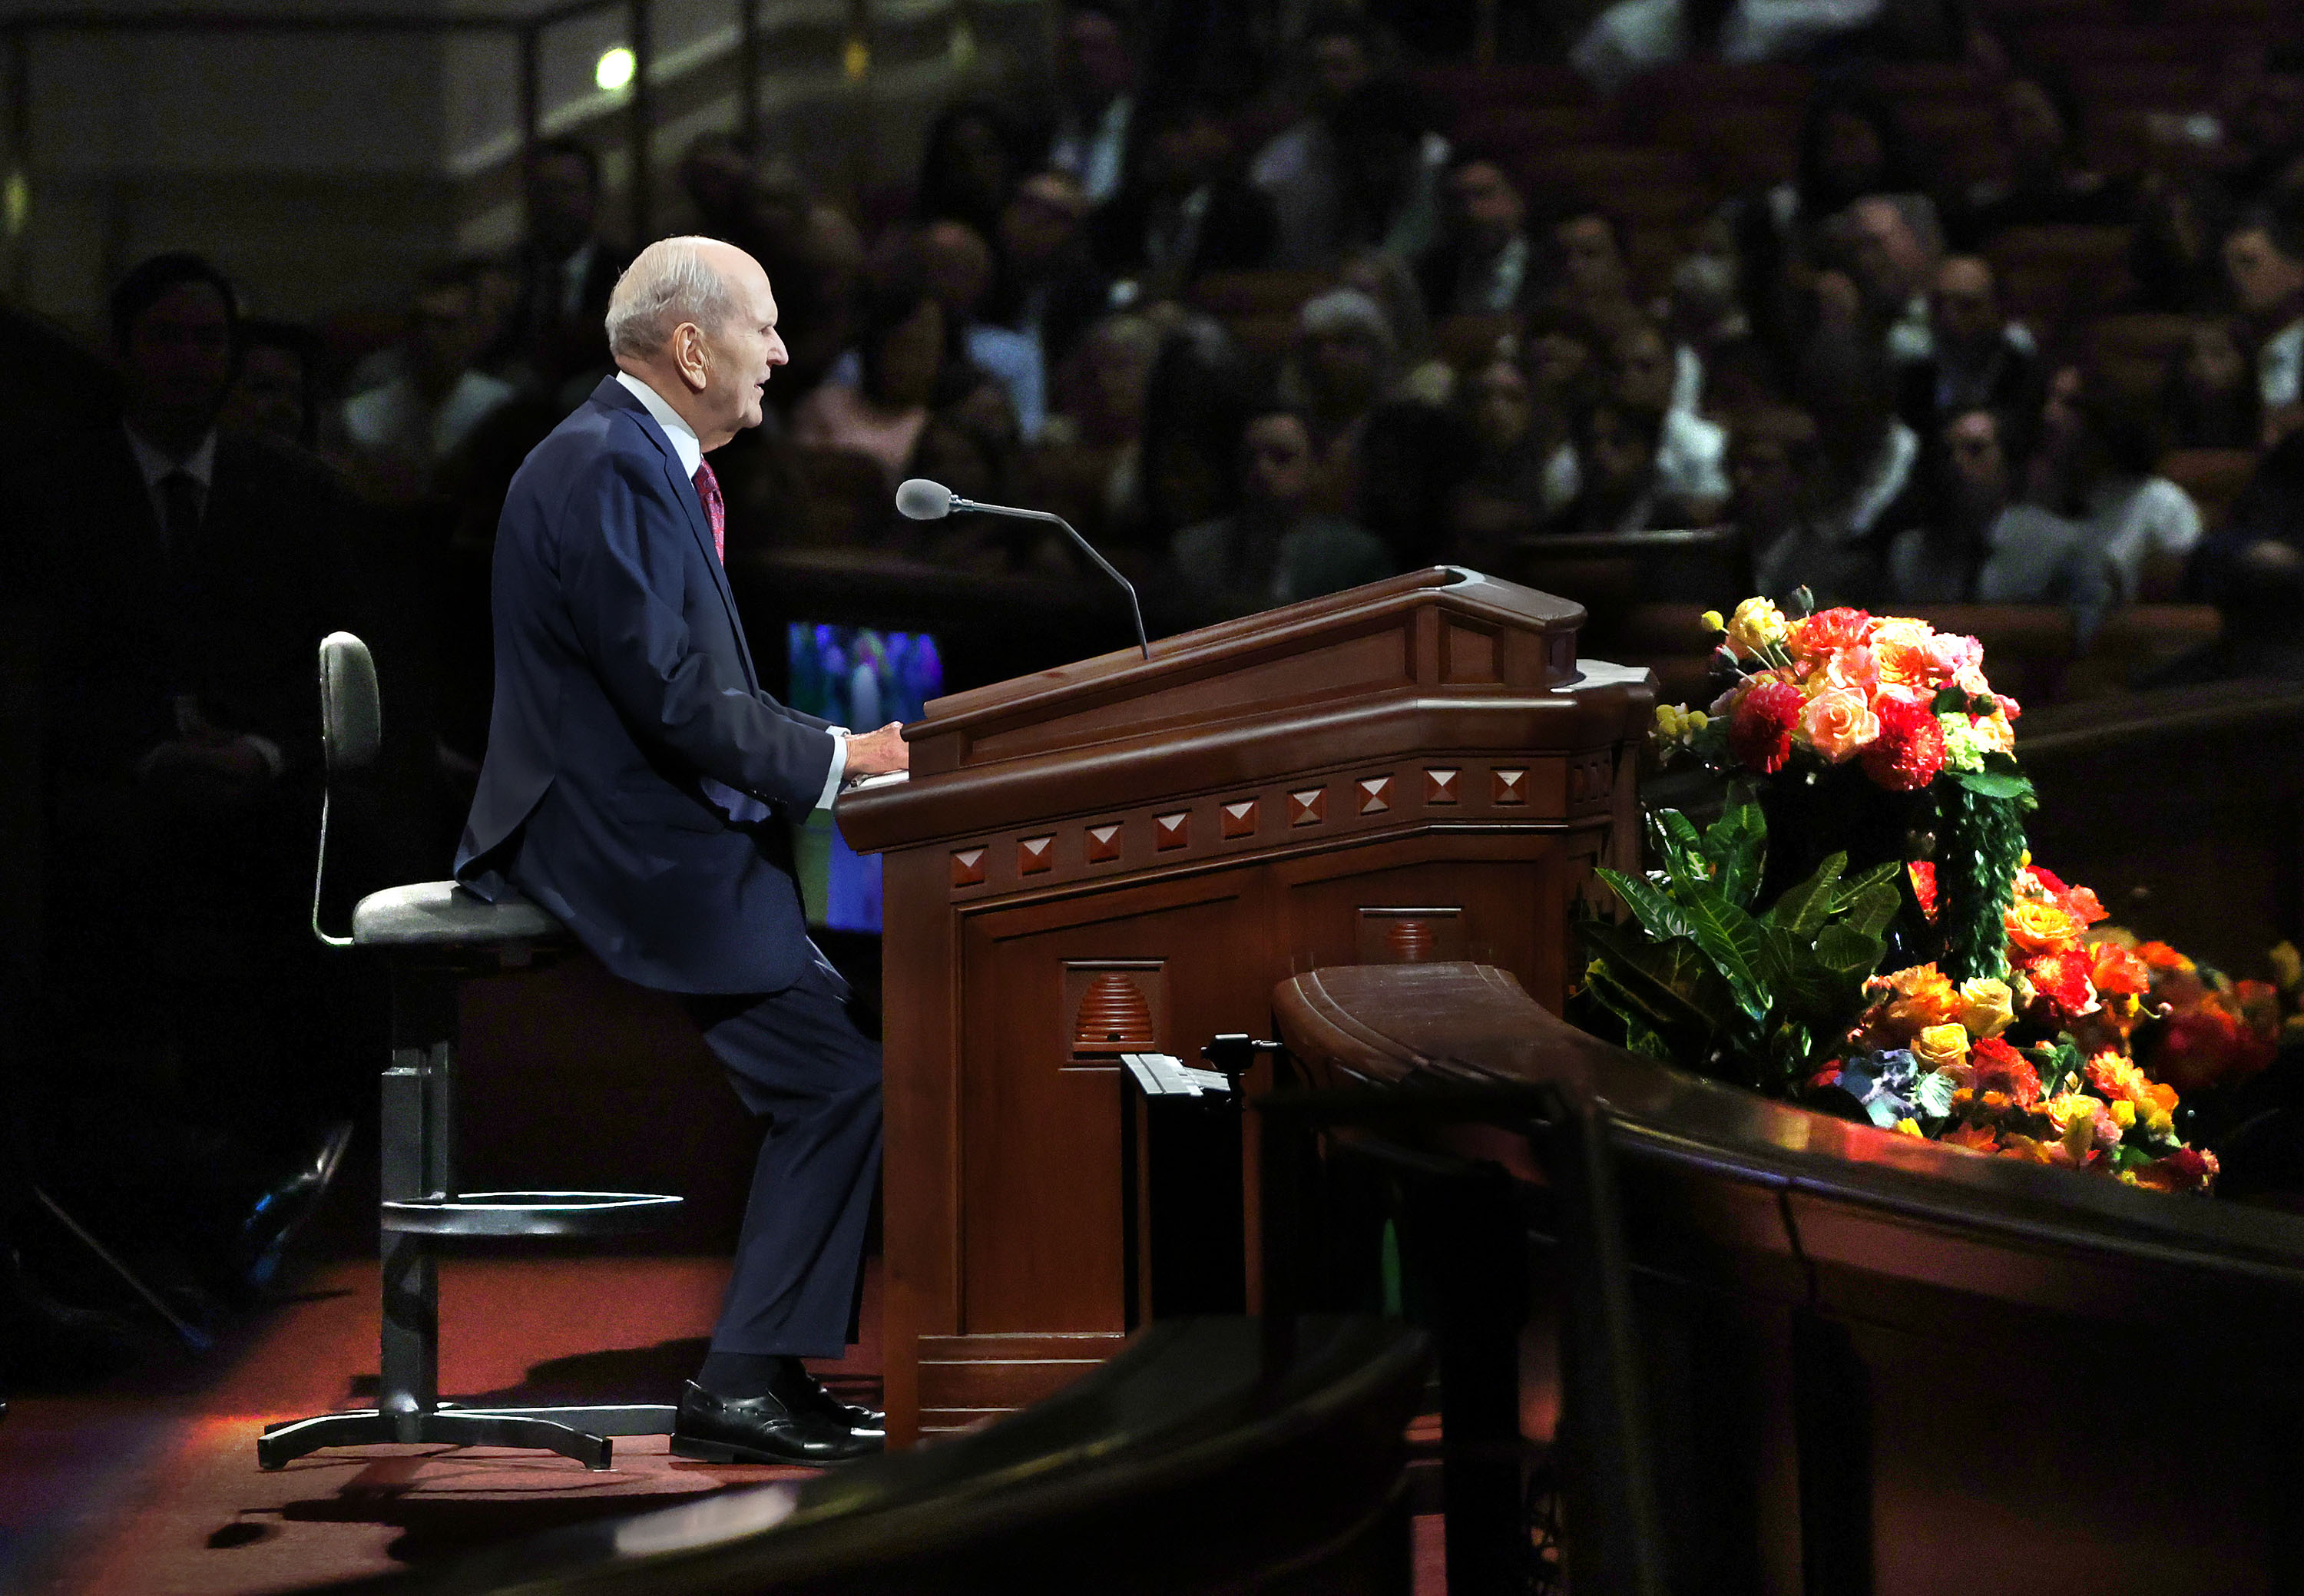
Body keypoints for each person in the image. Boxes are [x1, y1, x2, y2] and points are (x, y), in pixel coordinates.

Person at [454, 236, 906, 1465]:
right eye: (764, 326)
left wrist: (821, 760)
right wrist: (841, 760)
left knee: (837, 1067)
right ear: (690, 345)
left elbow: (681, 690)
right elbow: (667, 694)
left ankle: (767, 1370)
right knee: (839, 1077)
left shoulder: (634, 457)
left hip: (641, 818)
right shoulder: (607, 464)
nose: (783, 351)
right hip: (609, 837)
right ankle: (742, 1381)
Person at [27, 253, 360, 1293]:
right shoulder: (52, 493)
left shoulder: (290, 492)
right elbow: (38, 672)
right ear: (124, 350)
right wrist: (151, 752)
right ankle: (133, 1190)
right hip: (105, 784)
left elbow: (327, 655)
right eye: (167, 338)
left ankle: (293, 1163)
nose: (189, 360)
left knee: (329, 860)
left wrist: (259, 750)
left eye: (208, 340)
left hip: (265, 781)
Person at [1161, 402, 1392, 628]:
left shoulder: (1353, 556)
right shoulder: (1195, 552)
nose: (1262, 470)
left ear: (1314, 466)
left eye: (1281, 457)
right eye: (1250, 458)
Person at [339, 261, 518, 500]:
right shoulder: (361, 417)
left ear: (475, 330)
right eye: (419, 323)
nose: (429, 336)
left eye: (447, 325)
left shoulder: (503, 410)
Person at [1090, 94, 1276, 301]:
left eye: (1180, 131)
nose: (1166, 144)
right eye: (1158, 133)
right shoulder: (1117, 215)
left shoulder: (1244, 215)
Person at [495, 137, 631, 398]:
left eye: (566, 190)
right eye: (544, 191)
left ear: (593, 197)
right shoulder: (509, 273)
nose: (554, 203)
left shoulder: (626, 275)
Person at [1249, 8, 1384, 269]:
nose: (1326, 79)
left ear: (1371, 70)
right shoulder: (1280, 158)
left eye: (1340, 68)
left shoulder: (1422, 154)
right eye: (1316, 69)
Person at [1895, 255, 2041, 438]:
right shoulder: (1912, 374)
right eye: (1939, 304)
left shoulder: (2024, 373)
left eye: (1967, 306)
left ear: (1998, 308)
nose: (1950, 318)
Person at [1417, 152, 1537, 320]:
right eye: (1457, 200)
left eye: (1483, 194)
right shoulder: (1432, 273)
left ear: (1517, 199)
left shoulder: (1553, 264)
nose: (1471, 211)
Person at [1044, 1, 1139, 207]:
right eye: (1076, 48)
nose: (1084, 61)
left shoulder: (1142, 131)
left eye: (1098, 49)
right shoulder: (1041, 126)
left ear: (1125, 58)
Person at [2224, 200, 2304, 413]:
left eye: (2248, 263)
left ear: (2297, 269)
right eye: (2229, 265)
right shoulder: (2235, 339)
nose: (2235, 277)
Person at [2164, 316, 2261, 450]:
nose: (2202, 364)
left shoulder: (2267, 425)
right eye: (2191, 354)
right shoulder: (2169, 418)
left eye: (2217, 353)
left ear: (2245, 361)